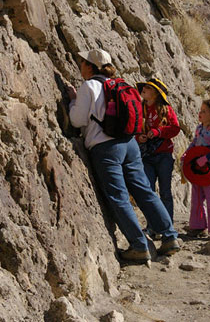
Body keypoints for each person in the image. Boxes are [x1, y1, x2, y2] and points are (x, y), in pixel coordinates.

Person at [67, 48, 180, 263]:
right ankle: (170, 237)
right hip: (130, 144)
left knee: (119, 197)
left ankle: (139, 246)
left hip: (105, 147)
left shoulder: (88, 86)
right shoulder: (122, 85)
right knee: (145, 191)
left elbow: (77, 120)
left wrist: (73, 100)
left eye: (83, 62)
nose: (80, 66)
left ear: (91, 67)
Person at [136, 79, 180, 232]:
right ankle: (152, 226)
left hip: (164, 155)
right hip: (146, 155)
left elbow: (175, 128)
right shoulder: (140, 108)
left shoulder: (166, 110)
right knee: (148, 191)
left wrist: (158, 132)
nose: (144, 90)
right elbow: (134, 128)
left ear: (155, 93)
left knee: (165, 192)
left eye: (148, 88)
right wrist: (138, 137)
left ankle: (167, 228)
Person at [181, 99, 210, 238]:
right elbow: (195, 142)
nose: (199, 113)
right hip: (197, 170)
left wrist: (206, 158)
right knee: (196, 198)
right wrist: (187, 154)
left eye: (204, 111)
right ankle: (198, 227)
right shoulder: (199, 128)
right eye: (200, 110)